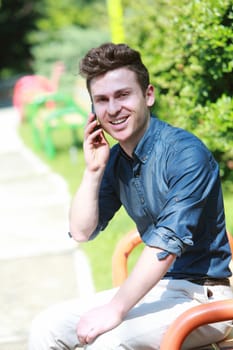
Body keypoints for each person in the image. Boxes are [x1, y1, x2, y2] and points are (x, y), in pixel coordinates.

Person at [28, 42, 233, 350]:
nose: (113, 109)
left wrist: (115, 308)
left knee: (109, 343)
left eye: (123, 95)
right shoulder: (114, 160)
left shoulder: (186, 154)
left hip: (207, 296)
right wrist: (93, 171)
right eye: (102, 100)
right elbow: (82, 232)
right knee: (47, 325)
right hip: (161, 289)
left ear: (147, 95)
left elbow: (166, 244)